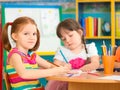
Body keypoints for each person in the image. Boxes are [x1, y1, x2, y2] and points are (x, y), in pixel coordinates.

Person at [2, 16, 71, 90]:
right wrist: (54, 71)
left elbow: (49, 66)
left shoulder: (32, 55)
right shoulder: (15, 55)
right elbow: (24, 74)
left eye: (34, 34)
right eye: (26, 34)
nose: (31, 37)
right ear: (15, 36)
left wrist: (63, 68)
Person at [45, 18, 100, 90]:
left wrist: (80, 70)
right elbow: (55, 66)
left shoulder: (90, 47)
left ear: (80, 33)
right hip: (66, 84)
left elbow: (95, 63)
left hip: (87, 82)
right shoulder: (62, 50)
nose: (67, 40)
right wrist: (63, 66)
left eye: (70, 36)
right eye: (64, 39)